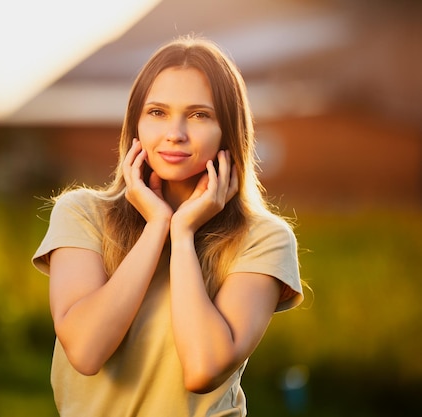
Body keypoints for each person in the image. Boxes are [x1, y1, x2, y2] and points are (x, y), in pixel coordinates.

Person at [32, 34, 304, 416]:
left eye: (199, 115)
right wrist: (157, 225)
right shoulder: (82, 214)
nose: (175, 133)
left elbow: (203, 369)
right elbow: (86, 351)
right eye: (157, 112)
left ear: (229, 128)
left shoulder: (263, 238)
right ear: (136, 124)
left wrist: (183, 233)